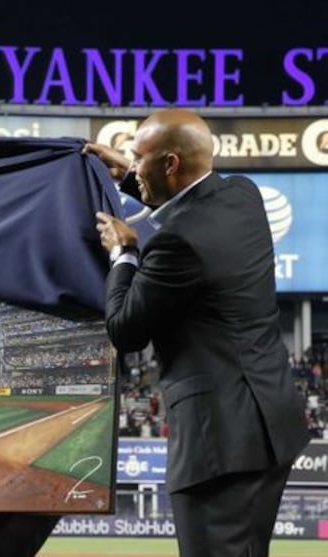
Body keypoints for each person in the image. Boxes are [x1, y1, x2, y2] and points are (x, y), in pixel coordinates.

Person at [86, 108, 309, 557]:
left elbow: (125, 330)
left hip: (220, 447)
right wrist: (133, 177)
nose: (133, 163)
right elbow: (190, 199)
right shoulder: (242, 195)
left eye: (139, 156)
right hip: (269, 425)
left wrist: (124, 254)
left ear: (169, 164)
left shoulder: (176, 243)